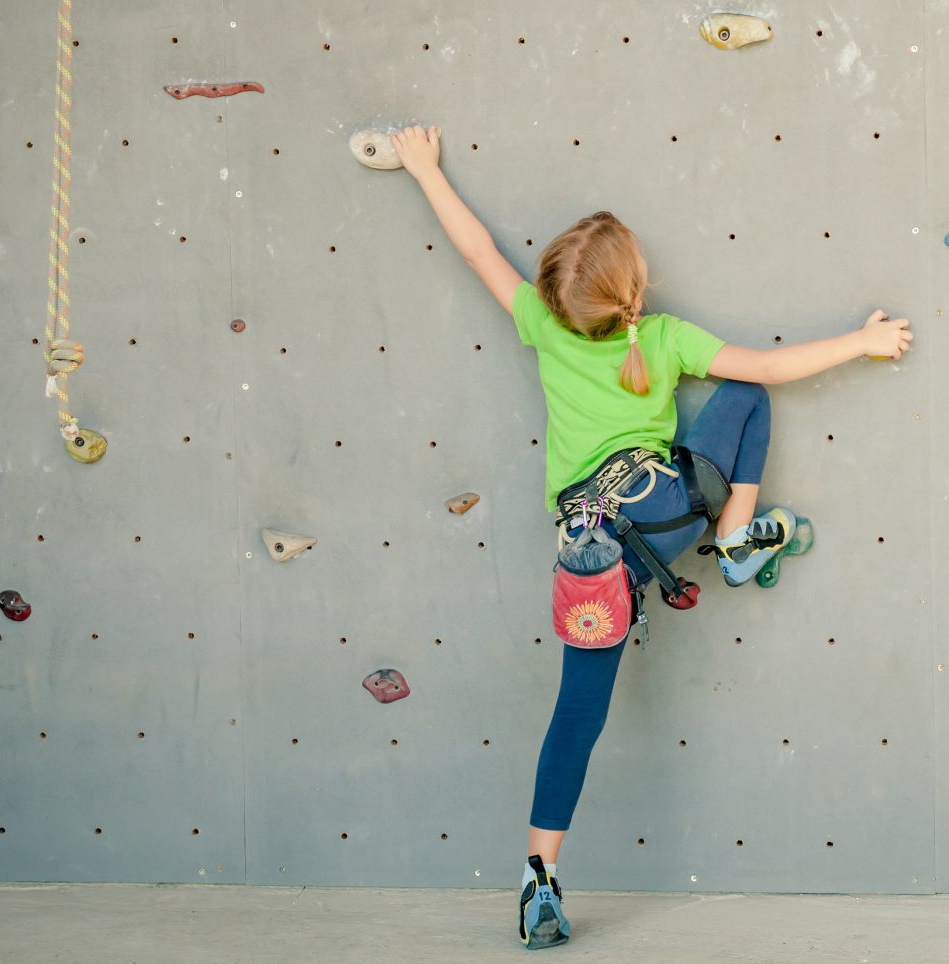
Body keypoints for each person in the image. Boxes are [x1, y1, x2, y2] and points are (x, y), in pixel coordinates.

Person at [390, 124, 912, 948]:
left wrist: (423, 169)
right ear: (636, 294)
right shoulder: (665, 340)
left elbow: (478, 253)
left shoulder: (542, 325)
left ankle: (539, 876)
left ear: (562, 302)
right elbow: (768, 369)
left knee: (575, 717)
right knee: (745, 395)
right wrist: (863, 340)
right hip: (671, 521)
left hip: (594, 561)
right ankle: (738, 544)